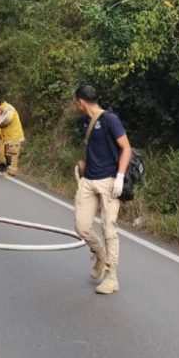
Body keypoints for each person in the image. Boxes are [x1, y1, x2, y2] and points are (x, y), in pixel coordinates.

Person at [72, 85, 131, 295]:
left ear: (80, 101)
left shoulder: (109, 120)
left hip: (109, 181)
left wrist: (120, 177)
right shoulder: (86, 122)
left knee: (108, 228)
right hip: (88, 181)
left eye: (76, 102)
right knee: (81, 226)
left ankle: (111, 277)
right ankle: (100, 255)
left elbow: (126, 147)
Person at [0, 98, 24, 175]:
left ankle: (11, 172)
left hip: (14, 135)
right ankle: (9, 170)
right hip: (9, 136)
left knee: (13, 154)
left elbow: (7, 120)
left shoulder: (8, 109)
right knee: (9, 154)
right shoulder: (5, 109)